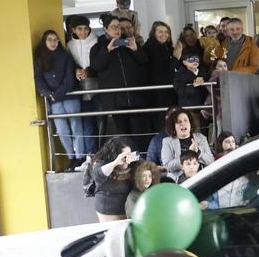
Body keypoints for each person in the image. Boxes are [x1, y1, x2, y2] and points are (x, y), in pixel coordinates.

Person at [89, 16, 151, 149]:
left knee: (139, 132)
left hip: (135, 97)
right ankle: (128, 162)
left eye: (119, 27)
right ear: (105, 29)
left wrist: (135, 49)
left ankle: (141, 161)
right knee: (124, 134)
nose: (118, 30)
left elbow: (144, 61)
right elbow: (96, 66)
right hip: (116, 100)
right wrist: (108, 51)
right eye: (114, 27)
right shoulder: (97, 47)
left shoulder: (128, 43)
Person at [33, 30, 83, 170]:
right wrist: (47, 93)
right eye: (50, 39)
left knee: (76, 127)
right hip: (53, 99)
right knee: (62, 130)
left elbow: (69, 79)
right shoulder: (39, 58)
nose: (53, 42)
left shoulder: (65, 55)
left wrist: (56, 94)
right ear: (44, 41)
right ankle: (71, 157)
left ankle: (80, 157)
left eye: (56, 39)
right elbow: (38, 78)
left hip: (69, 95)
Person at [65, 15, 99, 156]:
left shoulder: (96, 41)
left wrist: (88, 71)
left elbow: (99, 63)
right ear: (73, 29)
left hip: (97, 86)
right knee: (87, 121)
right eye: (79, 29)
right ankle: (91, 153)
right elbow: (69, 64)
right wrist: (76, 71)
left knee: (99, 119)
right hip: (80, 88)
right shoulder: (69, 45)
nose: (83, 32)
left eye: (86, 29)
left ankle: (98, 151)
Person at [160, 109, 214, 181]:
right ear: (174, 127)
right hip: (178, 180)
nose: (183, 124)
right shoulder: (167, 141)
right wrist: (187, 154)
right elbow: (167, 166)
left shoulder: (201, 138)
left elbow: (211, 162)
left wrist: (199, 152)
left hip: (200, 178)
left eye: (186, 120)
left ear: (190, 124)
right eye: (179, 122)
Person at [90, 138, 136, 222]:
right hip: (108, 210)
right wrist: (115, 162)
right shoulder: (101, 162)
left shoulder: (132, 163)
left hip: (127, 210)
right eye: (124, 156)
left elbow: (146, 167)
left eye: (129, 155)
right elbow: (97, 176)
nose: (126, 159)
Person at [143, 21, 177, 108]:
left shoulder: (166, 46)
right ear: (153, 33)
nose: (164, 34)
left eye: (166, 32)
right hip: (157, 90)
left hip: (167, 88)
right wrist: (176, 57)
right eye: (160, 32)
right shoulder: (149, 47)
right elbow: (162, 69)